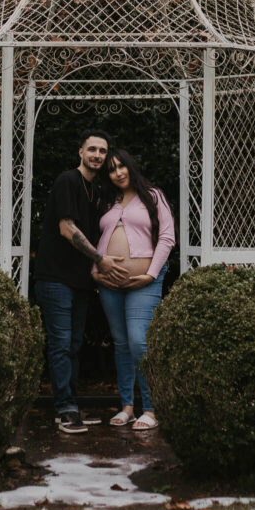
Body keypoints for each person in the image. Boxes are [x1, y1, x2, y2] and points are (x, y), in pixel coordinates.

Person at [34, 129, 129, 434]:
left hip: (79, 281)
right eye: (92, 150)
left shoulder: (95, 190)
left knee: (73, 345)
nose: (98, 156)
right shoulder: (68, 181)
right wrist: (100, 260)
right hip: (55, 278)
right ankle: (64, 409)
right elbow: (66, 228)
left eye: (102, 151)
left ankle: (70, 404)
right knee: (61, 344)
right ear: (80, 152)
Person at [93, 149, 175, 431]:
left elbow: (166, 237)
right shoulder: (107, 201)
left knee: (139, 342)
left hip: (144, 281)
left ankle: (151, 408)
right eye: (112, 169)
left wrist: (150, 274)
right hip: (109, 284)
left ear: (131, 166)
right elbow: (96, 239)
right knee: (121, 344)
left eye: (121, 166)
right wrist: (96, 272)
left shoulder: (153, 196)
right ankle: (127, 406)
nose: (118, 173)